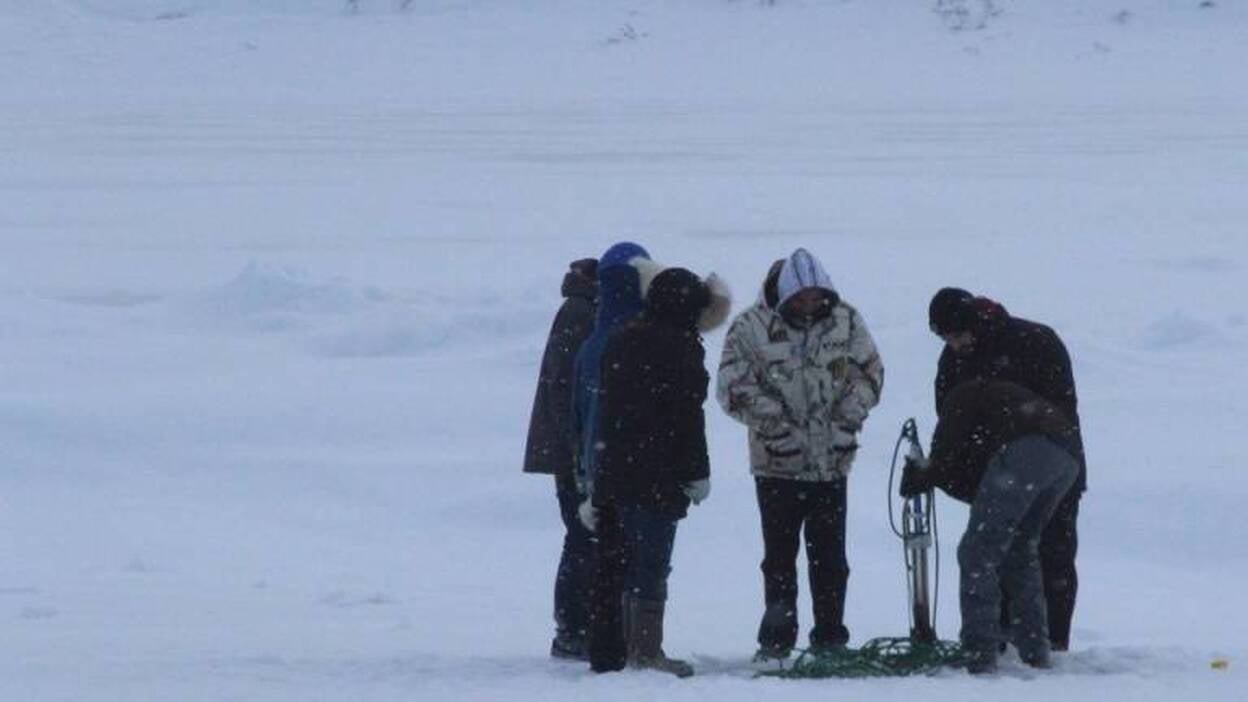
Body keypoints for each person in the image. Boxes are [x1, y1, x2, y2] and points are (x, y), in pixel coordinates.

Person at [717, 249, 884, 661]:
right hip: (777, 466)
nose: (810, 306)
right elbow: (733, 388)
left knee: (831, 559)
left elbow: (870, 373)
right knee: (779, 558)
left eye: (816, 297)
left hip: (832, 465)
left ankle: (830, 638)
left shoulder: (846, 320)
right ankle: (776, 641)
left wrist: (847, 421)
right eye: (801, 298)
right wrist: (778, 430)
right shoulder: (749, 328)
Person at [587, 267, 730, 677]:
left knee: (613, 562)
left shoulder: (622, 340)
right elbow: (687, 419)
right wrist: (697, 472)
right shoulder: (681, 348)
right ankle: (646, 650)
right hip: (657, 473)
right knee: (650, 562)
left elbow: (610, 410)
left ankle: (608, 649)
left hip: (615, 470)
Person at [928, 288, 1086, 652]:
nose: (953, 344)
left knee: (1023, 552)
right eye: (944, 337)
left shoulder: (1035, 340)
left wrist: (934, 469)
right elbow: (950, 417)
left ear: (975, 322)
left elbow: (954, 422)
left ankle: (1004, 646)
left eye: (956, 334)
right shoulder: (953, 360)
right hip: (1011, 470)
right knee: (1017, 550)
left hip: (1034, 465)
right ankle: (1026, 645)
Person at [900, 379, 1080, 673]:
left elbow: (944, 458)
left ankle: (979, 651)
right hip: (1067, 458)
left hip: (1029, 451)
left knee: (977, 552)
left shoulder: (960, 398)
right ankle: (1035, 650)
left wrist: (923, 475)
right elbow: (977, 483)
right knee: (1021, 548)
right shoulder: (997, 402)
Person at [522, 257, 598, 660]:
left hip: (573, 448)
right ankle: (572, 628)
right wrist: (577, 451)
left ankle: (577, 626)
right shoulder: (580, 313)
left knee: (583, 537)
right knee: (582, 537)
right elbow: (564, 387)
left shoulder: (581, 309)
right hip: (573, 452)